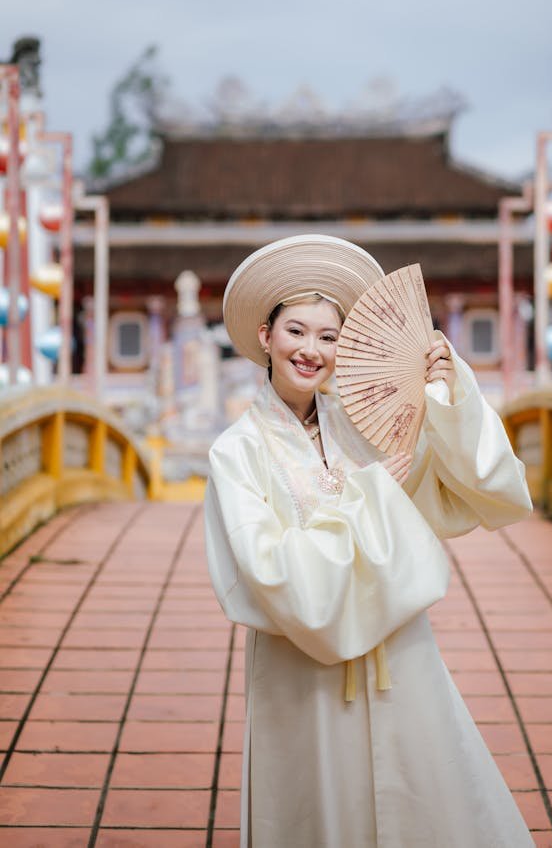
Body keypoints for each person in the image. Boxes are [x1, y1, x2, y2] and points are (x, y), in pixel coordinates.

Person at [204, 234, 534, 848]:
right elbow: (270, 573)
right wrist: (371, 498)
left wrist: (449, 394)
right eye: (295, 332)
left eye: (329, 337)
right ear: (264, 337)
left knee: (428, 793)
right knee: (315, 806)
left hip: (397, 650)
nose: (311, 351)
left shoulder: (368, 425)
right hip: (301, 667)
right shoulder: (236, 453)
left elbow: (467, 485)